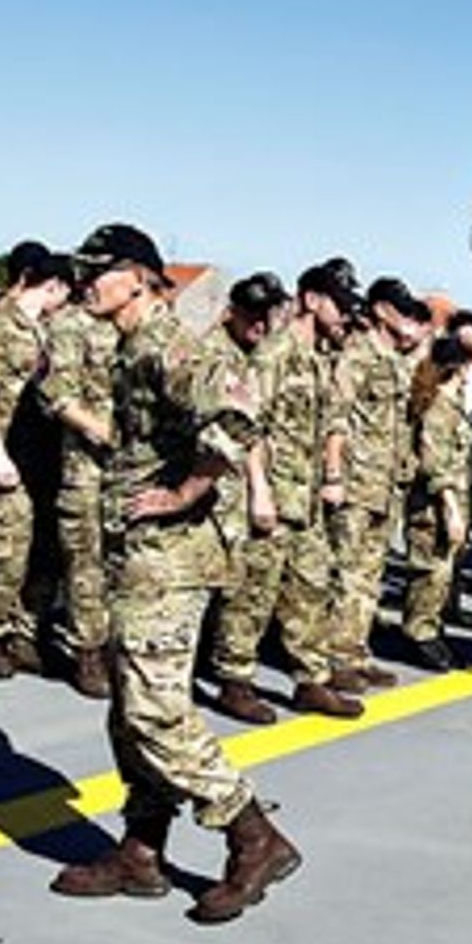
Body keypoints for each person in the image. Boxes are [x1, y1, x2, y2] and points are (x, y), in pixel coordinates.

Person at [45, 224, 301, 923]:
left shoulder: (167, 344)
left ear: (139, 277)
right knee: (131, 711)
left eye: (99, 270)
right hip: (141, 556)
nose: (85, 281)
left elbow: (239, 413)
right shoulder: (132, 347)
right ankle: (141, 848)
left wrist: (188, 490)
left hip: (171, 558)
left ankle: (252, 834)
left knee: (155, 709)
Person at [203, 271, 360, 720]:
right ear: (312, 300)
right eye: (338, 301)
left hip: (304, 496)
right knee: (253, 591)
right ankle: (235, 680)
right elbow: (248, 424)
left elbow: (330, 420)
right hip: (272, 493)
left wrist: (330, 476)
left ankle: (312, 680)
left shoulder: (315, 358)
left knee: (310, 586)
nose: (345, 312)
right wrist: (259, 489)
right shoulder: (274, 355)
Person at [0, 246, 64, 679]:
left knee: (42, 549)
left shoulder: (43, 330)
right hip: (7, 457)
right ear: (51, 285)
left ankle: (23, 633)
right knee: (6, 548)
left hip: (40, 455)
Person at [320, 278, 422, 692]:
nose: (408, 318)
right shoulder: (358, 355)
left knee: (369, 572)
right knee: (346, 571)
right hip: (356, 481)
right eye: (400, 309)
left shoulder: (394, 360)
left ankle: (356, 650)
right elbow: (336, 416)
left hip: (384, 483)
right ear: (381, 310)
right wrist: (333, 476)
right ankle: (333, 655)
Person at [38, 253, 121, 698]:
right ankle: (88, 652)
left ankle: (117, 648)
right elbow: (58, 397)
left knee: (121, 564)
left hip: (130, 473)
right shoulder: (70, 327)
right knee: (86, 561)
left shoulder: (129, 329)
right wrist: (102, 432)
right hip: (87, 467)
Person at [399, 335, 472, 670]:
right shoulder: (438, 408)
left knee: (443, 570)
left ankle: (428, 626)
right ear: (457, 368)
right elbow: (434, 464)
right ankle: (418, 632)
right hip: (434, 505)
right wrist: (451, 510)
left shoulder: (452, 402)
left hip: (451, 499)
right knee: (432, 569)